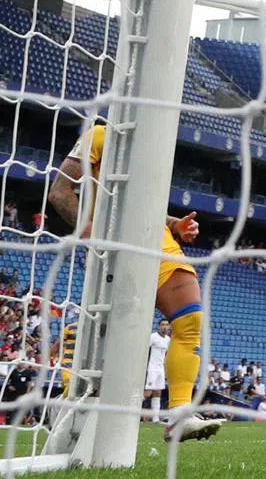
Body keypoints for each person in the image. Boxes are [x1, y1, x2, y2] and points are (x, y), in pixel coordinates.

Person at [47, 122, 220, 442]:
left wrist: (174, 223)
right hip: (116, 248)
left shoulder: (158, 142)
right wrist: (90, 232)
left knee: (191, 321)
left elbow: (146, 205)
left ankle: (180, 413)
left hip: (160, 243)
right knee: (98, 335)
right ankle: (67, 401)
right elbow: (59, 193)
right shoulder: (98, 136)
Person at [144, 319, 172, 423]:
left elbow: (166, 355)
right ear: (159, 326)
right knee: (147, 393)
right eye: (163, 325)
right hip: (152, 368)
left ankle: (155, 418)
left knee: (158, 393)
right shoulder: (153, 337)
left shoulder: (168, 339)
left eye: (166, 325)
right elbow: (145, 350)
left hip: (160, 369)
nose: (165, 327)